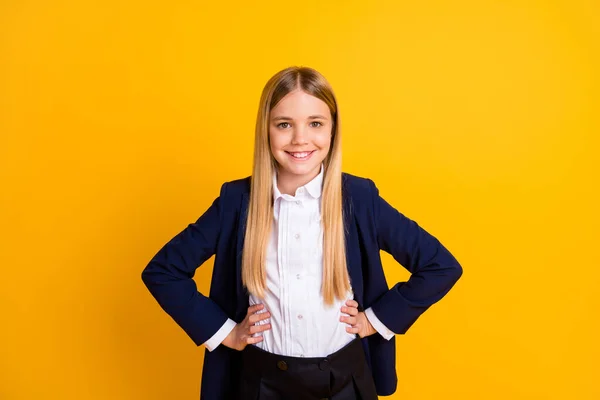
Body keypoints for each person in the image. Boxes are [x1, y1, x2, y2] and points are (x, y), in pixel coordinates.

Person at [141, 66, 463, 400]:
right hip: (259, 384)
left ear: (333, 130)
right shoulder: (236, 202)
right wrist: (227, 333)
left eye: (315, 123)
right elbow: (163, 271)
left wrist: (374, 320)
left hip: (345, 382)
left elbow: (440, 266)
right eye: (284, 124)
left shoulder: (359, 199)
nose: (300, 139)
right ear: (265, 130)